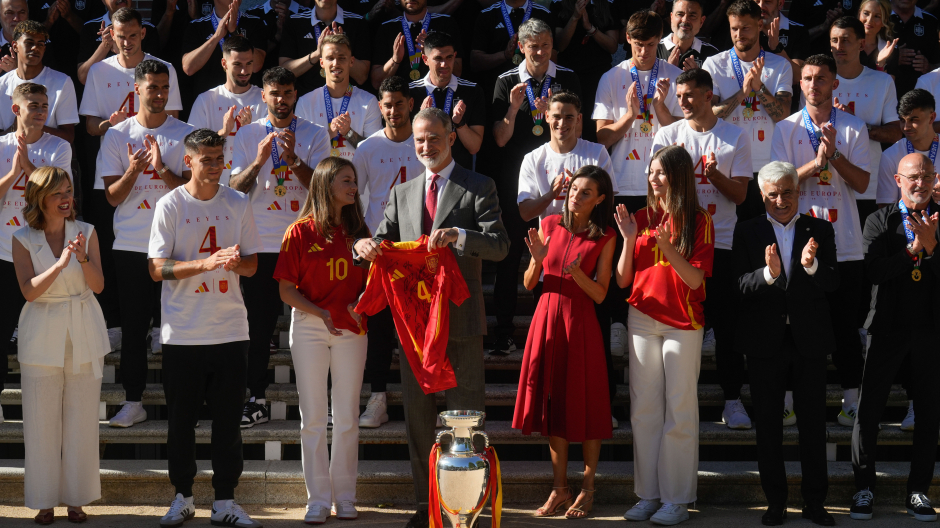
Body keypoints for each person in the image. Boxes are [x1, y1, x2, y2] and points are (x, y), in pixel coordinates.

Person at [352, 107, 509, 528]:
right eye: (419, 140)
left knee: (466, 419)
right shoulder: (403, 193)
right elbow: (382, 239)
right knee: (420, 422)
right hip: (415, 328)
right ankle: (428, 506)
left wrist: (460, 236)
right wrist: (362, 248)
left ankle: (468, 507)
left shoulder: (478, 185)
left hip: (458, 322)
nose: (425, 146)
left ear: (451, 137)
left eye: (433, 138)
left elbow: (500, 245)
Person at [149, 128, 263, 528]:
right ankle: (182, 496)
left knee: (229, 422)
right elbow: (156, 268)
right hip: (183, 332)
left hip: (231, 328)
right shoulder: (169, 204)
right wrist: (205, 263)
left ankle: (225, 501)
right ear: (189, 161)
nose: (216, 166)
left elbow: (252, 264)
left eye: (220, 158)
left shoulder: (238, 201)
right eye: (207, 159)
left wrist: (234, 264)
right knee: (181, 422)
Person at [732, 161, 839, 527]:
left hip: (809, 341)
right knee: (768, 427)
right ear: (762, 195)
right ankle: (775, 501)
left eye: (788, 192)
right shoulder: (747, 231)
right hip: (766, 342)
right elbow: (740, 285)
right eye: (773, 194)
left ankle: (814, 502)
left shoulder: (820, 230)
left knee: (812, 426)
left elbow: (832, 283)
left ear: (799, 191)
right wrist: (768, 275)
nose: (781, 200)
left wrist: (810, 266)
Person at [771, 53, 872, 428]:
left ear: (834, 84)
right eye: (809, 78)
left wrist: (835, 154)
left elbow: (862, 184)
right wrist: (817, 163)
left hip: (845, 243)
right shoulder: (785, 128)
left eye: (822, 78)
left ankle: (851, 402)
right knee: (794, 326)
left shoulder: (853, 127)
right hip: (797, 240)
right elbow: (778, 184)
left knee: (846, 326)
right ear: (801, 84)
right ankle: (788, 402)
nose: (815, 85)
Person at [651, 68, 753, 430]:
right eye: (679, 96)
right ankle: (673, 400)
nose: (683, 102)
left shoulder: (734, 136)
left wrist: (714, 177)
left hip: (721, 243)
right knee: (677, 325)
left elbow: (741, 195)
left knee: (726, 325)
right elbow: (656, 190)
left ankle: (732, 399)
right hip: (677, 245)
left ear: (709, 95)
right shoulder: (668, 135)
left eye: (690, 95)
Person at [616, 145, 714, 526]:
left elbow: (693, 279)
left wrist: (668, 247)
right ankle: (649, 494)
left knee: (680, 409)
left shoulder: (698, 220)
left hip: (682, 321)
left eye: (661, 172)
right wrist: (628, 238)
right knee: (643, 410)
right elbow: (624, 280)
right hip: (641, 317)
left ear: (679, 176)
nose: (654, 179)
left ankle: (676, 499)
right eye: (651, 172)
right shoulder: (639, 217)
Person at [229, 66, 331, 428]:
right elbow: (235, 188)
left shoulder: (316, 134)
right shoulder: (247, 134)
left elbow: (324, 188)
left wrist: (294, 161)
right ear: (263, 96)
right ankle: (255, 398)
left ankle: (322, 402)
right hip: (262, 243)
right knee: (257, 328)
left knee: (315, 325)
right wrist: (259, 162)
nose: (281, 100)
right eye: (274, 93)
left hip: (305, 243)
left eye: (287, 93)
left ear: (295, 96)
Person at [513, 165, 615, 519]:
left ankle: (587, 489)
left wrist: (577, 275)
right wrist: (537, 262)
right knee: (552, 404)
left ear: (599, 199)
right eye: (573, 189)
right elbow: (528, 283)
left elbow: (601, 294)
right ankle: (560, 489)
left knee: (586, 405)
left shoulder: (605, 237)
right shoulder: (549, 225)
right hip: (546, 321)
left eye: (585, 192)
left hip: (580, 324)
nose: (576, 196)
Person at [98, 60, 194, 428]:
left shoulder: (186, 132)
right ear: (136, 89)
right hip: (132, 244)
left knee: (176, 328)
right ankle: (133, 400)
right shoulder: (117, 135)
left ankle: (181, 403)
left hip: (176, 244)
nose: (158, 94)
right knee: (136, 329)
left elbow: (194, 193)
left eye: (163, 87)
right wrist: (134, 171)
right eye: (151, 87)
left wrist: (163, 169)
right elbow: (110, 197)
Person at [274, 156, 369, 523]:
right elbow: (285, 290)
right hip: (311, 327)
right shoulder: (298, 232)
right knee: (313, 417)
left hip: (352, 329)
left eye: (354, 180)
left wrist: (363, 304)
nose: (353, 186)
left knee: (346, 416)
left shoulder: (360, 229)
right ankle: (317, 498)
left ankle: (345, 496)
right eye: (346, 180)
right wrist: (320, 312)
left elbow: (375, 279)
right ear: (327, 184)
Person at [12, 166, 108, 525]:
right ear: (41, 199)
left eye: (69, 191)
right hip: (41, 332)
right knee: (40, 421)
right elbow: (29, 291)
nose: (67, 199)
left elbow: (98, 285)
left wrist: (81, 258)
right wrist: (61, 263)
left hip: (83, 328)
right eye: (58, 193)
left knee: (83, 419)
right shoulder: (21, 237)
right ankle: (44, 500)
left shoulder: (87, 232)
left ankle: (77, 500)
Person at [850, 152, 940, 522]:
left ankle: (918, 490)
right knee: (868, 412)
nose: (919, 183)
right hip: (886, 328)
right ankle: (863, 489)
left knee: (930, 414)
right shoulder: (878, 220)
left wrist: (933, 248)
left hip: (931, 329)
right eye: (912, 177)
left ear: (934, 178)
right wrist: (912, 251)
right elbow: (873, 270)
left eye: (926, 175)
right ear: (897, 180)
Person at [593, 9, 679, 376]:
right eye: (638, 44)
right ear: (627, 39)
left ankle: (651, 321)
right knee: (619, 254)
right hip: (624, 181)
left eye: (651, 44)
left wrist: (658, 107)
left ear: (661, 40)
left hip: (663, 184)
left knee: (655, 255)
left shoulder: (674, 76)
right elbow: (600, 137)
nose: (644, 51)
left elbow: (683, 135)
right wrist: (629, 115)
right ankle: (617, 321)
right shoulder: (611, 77)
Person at [489, 17, 580, 356]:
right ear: (521, 47)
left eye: (545, 45)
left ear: (552, 47)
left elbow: (578, 130)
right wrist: (514, 108)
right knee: (510, 257)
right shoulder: (506, 81)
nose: (540, 52)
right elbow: (499, 139)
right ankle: (503, 332)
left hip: (559, 177)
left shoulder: (567, 78)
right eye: (533, 46)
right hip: (517, 180)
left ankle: (557, 328)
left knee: (562, 253)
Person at [351, 75, 424, 428]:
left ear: (411, 103)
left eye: (399, 103)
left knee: (422, 327)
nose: (393, 111)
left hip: (419, 252)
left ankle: (426, 400)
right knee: (378, 329)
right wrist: (359, 241)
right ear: (379, 108)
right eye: (386, 105)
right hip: (380, 253)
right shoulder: (367, 149)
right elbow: (353, 201)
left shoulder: (425, 142)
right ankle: (377, 397)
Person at [0, 82, 73, 414]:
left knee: (44, 336)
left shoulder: (58, 148)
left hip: (44, 255)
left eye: (45, 105)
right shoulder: (0, 146)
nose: (42, 111)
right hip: (3, 253)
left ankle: (51, 404)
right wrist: (13, 173)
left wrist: (28, 169)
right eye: (34, 105)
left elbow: (59, 197)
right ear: (16, 110)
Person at [702, 0, 792, 221]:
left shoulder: (780, 66)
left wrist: (759, 87)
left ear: (760, 25)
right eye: (734, 28)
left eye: (745, 28)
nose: (739, 34)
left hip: (767, 166)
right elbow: (707, 114)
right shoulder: (713, 64)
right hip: (727, 165)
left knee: (763, 237)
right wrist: (742, 93)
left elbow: (783, 116)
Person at [829, 16, 901, 222]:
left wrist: (857, 124)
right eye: (834, 40)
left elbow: (896, 133)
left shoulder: (882, 81)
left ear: (861, 44)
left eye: (845, 40)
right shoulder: (817, 80)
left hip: (869, 186)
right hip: (825, 185)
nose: (838, 46)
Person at [188, 35, 266, 186]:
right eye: (237, 64)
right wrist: (223, 133)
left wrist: (249, 131)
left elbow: (273, 149)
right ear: (224, 63)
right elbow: (192, 150)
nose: (244, 71)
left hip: (256, 190)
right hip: (215, 188)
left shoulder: (264, 98)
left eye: (249, 63)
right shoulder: (206, 100)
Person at [295, 33, 383, 160]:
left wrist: (349, 133)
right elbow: (300, 151)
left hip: (356, 179)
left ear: (351, 61)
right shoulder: (306, 102)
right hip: (320, 179)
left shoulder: (368, 101)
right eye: (330, 58)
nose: (336, 63)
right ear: (321, 62)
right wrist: (328, 134)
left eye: (342, 58)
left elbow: (375, 151)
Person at [408, 30, 485, 170]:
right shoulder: (410, 92)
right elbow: (403, 144)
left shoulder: (472, 91)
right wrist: (422, 121)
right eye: (438, 58)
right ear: (425, 60)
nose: (444, 64)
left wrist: (460, 124)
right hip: (420, 176)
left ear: (455, 56)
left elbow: (474, 147)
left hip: (459, 179)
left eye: (449, 57)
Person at [550, 0, 620, 142]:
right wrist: (575, 17)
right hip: (569, 76)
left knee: (594, 125)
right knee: (568, 122)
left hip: (598, 77)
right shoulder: (558, 5)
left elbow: (613, 46)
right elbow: (560, 45)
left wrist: (591, 29)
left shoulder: (607, 5)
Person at [0, 20, 78, 143]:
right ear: (15, 46)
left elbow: (68, 137)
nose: (35, 48)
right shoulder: (1, 85)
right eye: (29, 43)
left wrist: (34, 125)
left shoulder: (62, 82)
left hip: (47, 159)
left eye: (40, 44)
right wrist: (15, 129)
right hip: (9, 158)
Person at [279, 0, 371, 95]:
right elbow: (284, 72)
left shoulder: (357, 22)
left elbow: (362, 77)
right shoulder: (294, 22)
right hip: (306, 102)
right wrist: (317, 53)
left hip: (348, 100)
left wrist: (341, 50)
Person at [182, 0, 267, 98]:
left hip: (247, 103)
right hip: (209, 102)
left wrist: (235, 32)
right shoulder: (196, 26)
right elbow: (188, 68)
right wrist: (217, 36)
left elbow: (256, 66)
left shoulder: (255, 22)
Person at [369, 0, 461, 90]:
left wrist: (433, 52)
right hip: (400, 100)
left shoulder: (445, 23)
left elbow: (458, 72)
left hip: (437, 97)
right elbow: (376, 83)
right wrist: (395, 60)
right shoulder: (387, 28)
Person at [469, 0, 553, 98]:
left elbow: (552, 57)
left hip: (538, 92)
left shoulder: (544, 14)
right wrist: (504, 55)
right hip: (496, 91)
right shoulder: (487, 15)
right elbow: (475, 62)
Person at [877, 90, 937, 207]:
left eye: (913, 120)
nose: (906, 127)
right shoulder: (890, 155)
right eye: (902, 120)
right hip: (905, 223)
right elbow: (886, 208)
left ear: (931, 118)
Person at [77, 1, 160, 85]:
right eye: (121, 36)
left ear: (142, 33)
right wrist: (105, 45)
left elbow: (154, 76)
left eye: (133, 35)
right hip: (104, 94)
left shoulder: (148, 29)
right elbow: (83, 78)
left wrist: (120, 49)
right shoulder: (90, 28)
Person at [887, 0, 940, 97]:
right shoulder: (878, 17)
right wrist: (893, 58)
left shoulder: (931, 22)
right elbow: (864, 59)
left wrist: (928, 67)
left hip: (920, 100)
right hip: (883, 96)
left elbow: (937, 65)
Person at [656, 0, 720, 71]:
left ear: (701, 21)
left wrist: (698, 78)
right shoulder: (654, 49)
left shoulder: (712, 54)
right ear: (671, 17)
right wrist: (667, 71)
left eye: (692, 16)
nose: (685, 20)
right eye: (680, 14)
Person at [858, 0, 898, 71]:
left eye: (877, 16)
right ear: (859, 14)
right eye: (866, 13)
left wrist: (880, 64)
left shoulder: (889, 50)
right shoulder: (845, 43)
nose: (869, 20)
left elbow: (889, 81)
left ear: (884, 22)